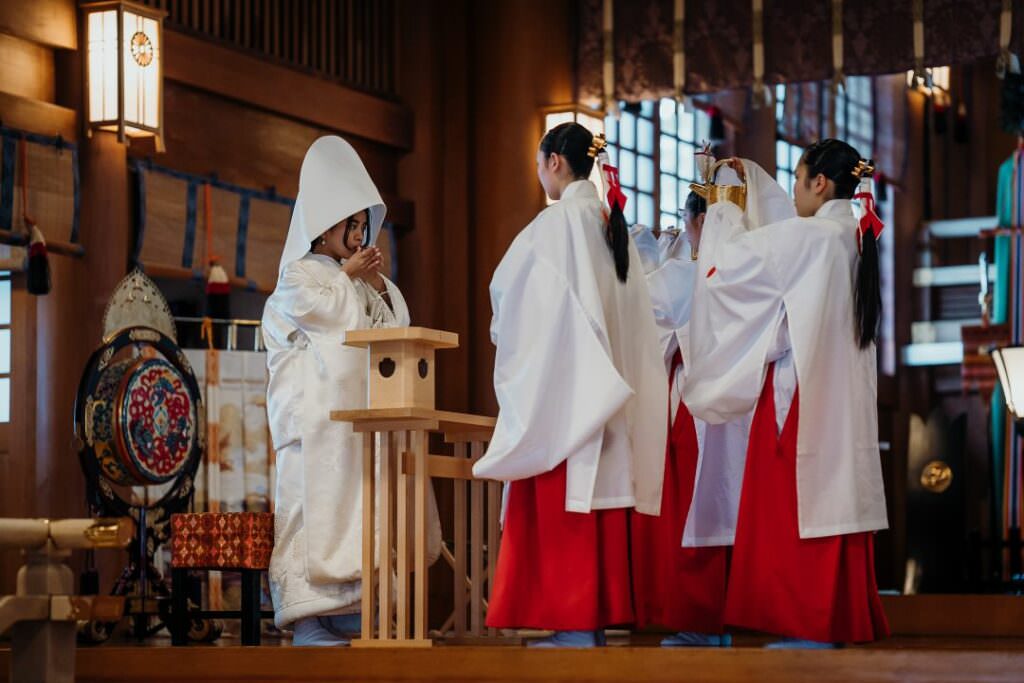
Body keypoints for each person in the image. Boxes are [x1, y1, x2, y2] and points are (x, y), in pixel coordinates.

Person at [683, 139, 890, 648]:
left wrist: (727, 206)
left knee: (796, 501)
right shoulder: (852, 236)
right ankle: (836, 618)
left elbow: (722, 274)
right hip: (846, 401)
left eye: (798, 180)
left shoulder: (813, 237)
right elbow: (780, 250)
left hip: (802, 396)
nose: (794, 192)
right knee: (835, 499)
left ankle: (805, 621)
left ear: (820, 182)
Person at [472, 122, 667, 648]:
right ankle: (592, 623)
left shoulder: (554, 226)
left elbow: (508, 302)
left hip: (569, 403)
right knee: (596, 513)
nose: (540, 174)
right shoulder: (611, 226)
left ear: (555, 162)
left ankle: (575, 626)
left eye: (539, 165)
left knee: (566, 513)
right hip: (610, 405)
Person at [262, 135, 439, 647]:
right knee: (310, 515)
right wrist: (346, 277)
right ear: (324, 226)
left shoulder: (354, 279)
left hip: (353, 422)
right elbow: (319, 314)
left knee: (358, 514)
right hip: (312, 426)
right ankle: (308, 619)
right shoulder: (297, 275)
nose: (360, 234)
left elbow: (390, 324)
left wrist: (377, 286)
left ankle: (347, 612)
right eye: (351, 225)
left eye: (363, 226)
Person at [630, 191, 748, 648]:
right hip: (734, 405)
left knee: (691, 513)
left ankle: (698, 619)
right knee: (716, 507)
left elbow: (642, 326)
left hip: (688, 406)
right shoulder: (740, 271)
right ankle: (718, 616)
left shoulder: (678, 275)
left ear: (696, 220)